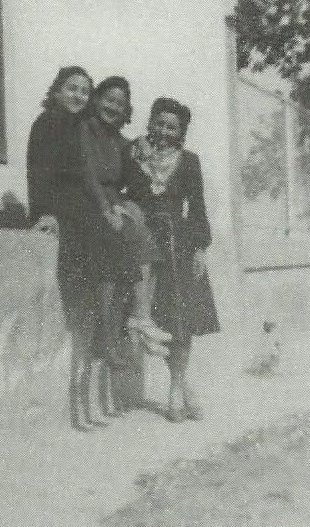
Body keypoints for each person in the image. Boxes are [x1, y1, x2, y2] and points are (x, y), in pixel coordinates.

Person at [78, 77, 171, 414]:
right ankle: (128, 325)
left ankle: (141, 317)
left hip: (113, 204)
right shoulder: (84, 131)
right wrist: (107, 206)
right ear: (97, 99)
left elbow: (136, 187)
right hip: (87, 201)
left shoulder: (121, 142)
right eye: (108, 99)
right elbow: (87, 173)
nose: (113, 108)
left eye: (120, 104)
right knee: (127, 227)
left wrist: (141, 159)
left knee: (141, 224)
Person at [127, 97, 220, 422]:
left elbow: (197, 207)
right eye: (159, 123)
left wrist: (200, 249)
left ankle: (176, 389)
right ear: (150, 122)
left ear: (181, 132)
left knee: (179, 323)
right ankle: (183, 383)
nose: (164, 131)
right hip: (144, 243)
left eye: (172, 127)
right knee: (153, 321)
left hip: (178, 245)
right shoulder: (133, 153)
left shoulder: (189, 161)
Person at [26, 65, 97, 432]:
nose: (78, 96)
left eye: (85, 91)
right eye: (72, 88)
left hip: (86, 223)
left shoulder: (81, 129)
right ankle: (73, 399)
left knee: (86, 311)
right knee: (74, 309)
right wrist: (44, 213)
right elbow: (37, 172)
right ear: (56, 91)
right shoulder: (46, 123)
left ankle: (82, 395)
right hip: (63, 220)